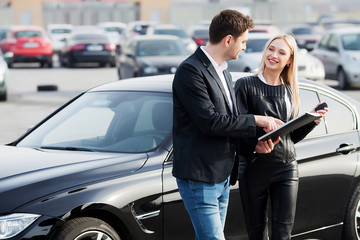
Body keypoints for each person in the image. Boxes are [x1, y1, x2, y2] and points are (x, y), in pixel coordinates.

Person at [172, 9, 284, 240]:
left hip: (222, 176)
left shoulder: (225, 73)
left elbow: (229, 124)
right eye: (243, 41)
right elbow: (211, 122)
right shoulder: (190, 70)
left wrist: (252, 145)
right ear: (228, 40)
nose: (244, 47)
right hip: (200, 177)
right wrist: (256, 119)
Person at [234, 33, 328, 240]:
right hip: (253, 168)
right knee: (256, 231)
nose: (274, 55)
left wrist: (311, 121)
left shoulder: (289, 91)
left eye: (281, 52)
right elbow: (237, 129)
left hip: (286, 168)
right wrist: (254, 145)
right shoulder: (245, 85)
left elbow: (290, 137)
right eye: (271, 49)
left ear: (290, 60)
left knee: (283, 233)